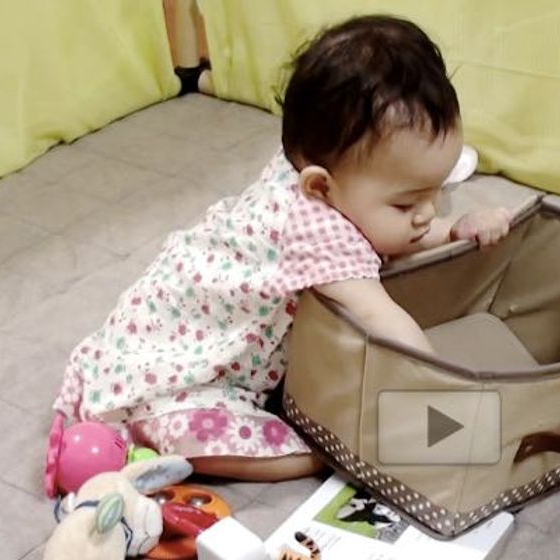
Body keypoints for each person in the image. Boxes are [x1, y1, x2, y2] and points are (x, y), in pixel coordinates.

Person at [52, 15, 512, 482]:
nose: (427, 214)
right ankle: (173, 434)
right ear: (320, 186)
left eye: (435, 193)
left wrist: (455, 229)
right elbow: (385, 321)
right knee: (265, 448)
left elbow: (393, 236)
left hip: (157, 322)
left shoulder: (316, 172)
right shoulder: (316, 229)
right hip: (178, 376)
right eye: (407, 201)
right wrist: (447, 386)